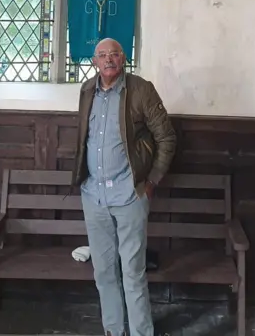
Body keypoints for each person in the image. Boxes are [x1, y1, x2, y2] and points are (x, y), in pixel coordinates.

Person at [71, 38, 176, 336]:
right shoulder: (87, 90)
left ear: (123, 58)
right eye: (102, 55)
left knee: (132, 272)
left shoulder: (141, 89)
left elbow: (166, 138)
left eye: (114, 54)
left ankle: (142, 332)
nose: (108, 60)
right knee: (104, 271)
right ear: (94, 61)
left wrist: (152, 180)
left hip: (129, 195)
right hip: (93, 196)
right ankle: (114, 331)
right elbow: (84, 139)